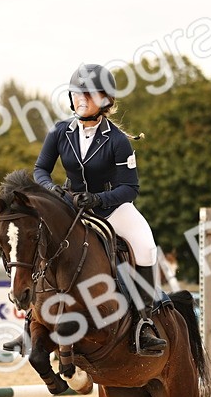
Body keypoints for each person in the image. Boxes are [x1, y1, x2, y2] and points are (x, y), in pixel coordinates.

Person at [32, 63, 165, 356]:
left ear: (105, 100)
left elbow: (130, 188)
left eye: (88, 95)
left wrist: (98, 201)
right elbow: (40, 169)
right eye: (77, 94)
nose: (81, 100)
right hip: (69, 206)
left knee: (145, 245)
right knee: (35, 237)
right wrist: (52, 189)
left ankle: (144, 323)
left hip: (112, 208)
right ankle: (34, 318)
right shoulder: (59, 132)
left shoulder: (117, 140)